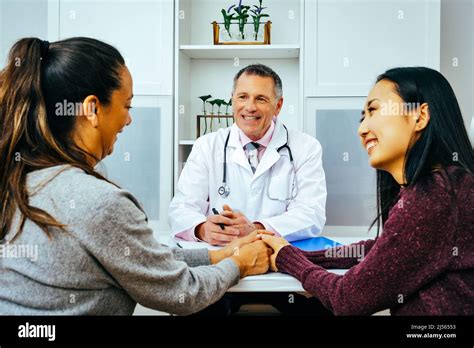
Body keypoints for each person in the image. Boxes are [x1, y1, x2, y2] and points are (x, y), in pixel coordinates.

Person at [0, 37, 272, 315]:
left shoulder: (19, 180)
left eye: (261, 98)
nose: (128, 119)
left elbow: (141, 255)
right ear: (93, 109)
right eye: (126, 106)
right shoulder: (101, 204)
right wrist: (239, 263)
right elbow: (183, 293)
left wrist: (220, 254)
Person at [262, 67, 474, 315]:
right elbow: (382, 248)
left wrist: (285, 257)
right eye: (363, 117)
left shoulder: (436, 195)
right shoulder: (448, 184)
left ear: (420, 116)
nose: (362, 129)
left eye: (374, 111)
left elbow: (347, 299)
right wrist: (294, 254)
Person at [169, 63, 328, 315]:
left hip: (279, 267)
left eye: (261, 99)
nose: (250, 107)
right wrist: (202, 228)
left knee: (322, 310)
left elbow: (312, 213)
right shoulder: (207, 146)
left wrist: (255, 229)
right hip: (223, 266)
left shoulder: (305, 147)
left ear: (278, 105)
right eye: (242, 97)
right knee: (195, 310)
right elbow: (181, 207)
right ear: (232, 100)